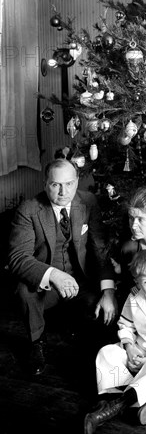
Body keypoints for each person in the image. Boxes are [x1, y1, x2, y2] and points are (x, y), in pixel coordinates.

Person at [7, 158, 118, 375]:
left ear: (77, 181)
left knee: (99, 320)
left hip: (81, 281)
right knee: (25, 290)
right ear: (45, 183)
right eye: (55, 184)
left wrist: (108, 291)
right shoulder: (28, 209)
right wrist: (53, 275)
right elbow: (18, 257)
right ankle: (36, 342)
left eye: (68, 184)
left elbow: (101, 249)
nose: (62, 191)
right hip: (47, 284)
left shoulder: (88, 202)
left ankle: (72, 323)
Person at [84, 249, 146, 433]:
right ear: (137, 282)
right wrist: (130, 347)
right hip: (139, 349)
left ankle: (113, 407)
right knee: (106, 353)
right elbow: (125, 325)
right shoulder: (134, 296)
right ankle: (142, 395)